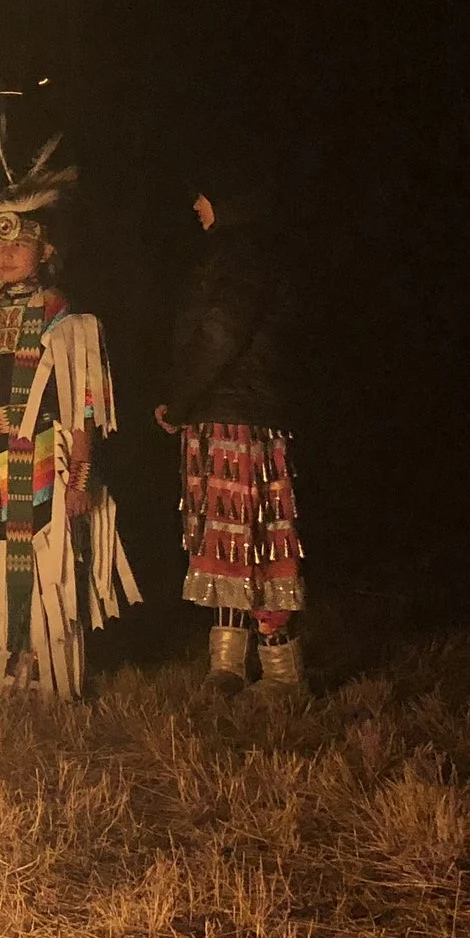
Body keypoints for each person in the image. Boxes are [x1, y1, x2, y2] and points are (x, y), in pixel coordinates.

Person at [0, 202, 139, 699]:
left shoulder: (64, 320)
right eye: (0, 245)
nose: (7, 256)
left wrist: (82, 477)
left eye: (19, 245)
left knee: (41, 564)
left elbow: (81, 408)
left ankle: (39, 667)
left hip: (38, 454)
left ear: (45, 252)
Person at [155, 176, 303, 692]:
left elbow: (220, 334)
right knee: (224, 538)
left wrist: (181, 400)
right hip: (220, 412)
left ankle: (281, 670)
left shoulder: (242, 256)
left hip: (238, 414)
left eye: (202, 195)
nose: (195, 205)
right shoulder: (234, 252)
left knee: (255, 536)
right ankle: (227, 664)